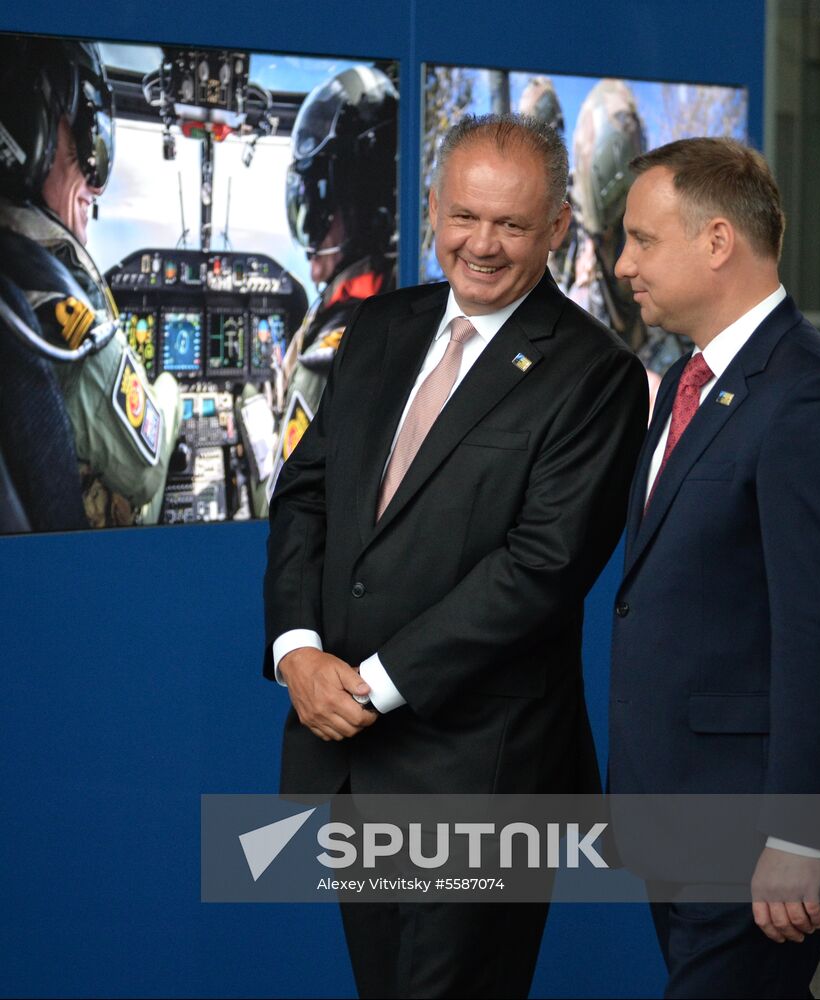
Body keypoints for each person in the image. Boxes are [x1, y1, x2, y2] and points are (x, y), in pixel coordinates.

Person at [264, 113, 648, 998]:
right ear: (432, 206)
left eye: (511, 224)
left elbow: (540, 569)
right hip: (353, 758)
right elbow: (307, 493)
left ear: (557, 226)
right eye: (464, 216)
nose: (481, 244)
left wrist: (365, 686)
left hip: (484, 774)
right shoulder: (380, 327)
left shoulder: (595, 375)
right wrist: (297, 652)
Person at [608, 137, 820, 998]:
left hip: (752, 834)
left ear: (717, 241)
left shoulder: (809, 395)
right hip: (677, 816)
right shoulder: (689, 380)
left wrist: (798, 835)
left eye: (642, 239)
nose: (622, 263)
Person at [0, 36, 179, 529]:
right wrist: (170, 390)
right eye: (88, 136)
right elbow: (146, 472)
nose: (96, 184)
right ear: (27, 127)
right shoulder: (49, 306)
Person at [279, 66, 397, 459]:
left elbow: (282, 491)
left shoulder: (330, 360)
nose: (311, 243)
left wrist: (256, 412)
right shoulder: (407, 294)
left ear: (357, 205)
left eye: (316, 210)